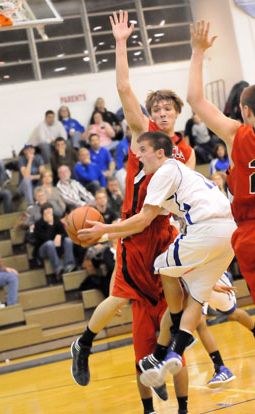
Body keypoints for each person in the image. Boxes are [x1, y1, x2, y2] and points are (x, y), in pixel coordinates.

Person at [70, 11, 195, 414]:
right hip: (132, 230)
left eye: (167, 110)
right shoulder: (141, 136)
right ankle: (85, 343)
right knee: (122, 296)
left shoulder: (186, 151)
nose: (160, 114)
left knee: (176, 316)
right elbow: (123, 87)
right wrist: (122, 42)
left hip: (165, 236)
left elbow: (186, 197)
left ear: (176, 116)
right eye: (156, 109)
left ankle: (165, 369)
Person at [80, 130, 236, 388]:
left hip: (205, 228)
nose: (137, 154)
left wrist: (103, 229)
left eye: (142, 149)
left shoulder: (162, 173)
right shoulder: (182, 173)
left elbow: (142, 220)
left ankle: (171, 334)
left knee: (160, 266)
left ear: (160, 153)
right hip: (228, 232)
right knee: (196, 297)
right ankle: (172, 352)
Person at [186, 19, 255, 371]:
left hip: (249, 236)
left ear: (245, 110)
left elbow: (194, 100)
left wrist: (198, 52)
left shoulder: (236, 133)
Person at [197, 272, 255, 388]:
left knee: (232, 314)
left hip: (213, 275)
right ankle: (220, 367)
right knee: (199, 322)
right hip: (196, 280)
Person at [33, 202, 76, 279]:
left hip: (57, 247)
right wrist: (50, 224)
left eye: (50, 209)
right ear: (43, 212)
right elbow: (45, 239)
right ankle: (58, 268)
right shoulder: (38, 224)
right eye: (46, 209)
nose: (49, 211)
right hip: (43, 249)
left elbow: (65, 233)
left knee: (68, 240)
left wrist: (59, 235)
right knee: (50, 243)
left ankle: (69, 265)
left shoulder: (56, 219)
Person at [17, 144, 45, 208]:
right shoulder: (21, 159)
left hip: (36, 185)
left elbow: (43, 174)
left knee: (46, 178)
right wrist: (30, 160)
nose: (29, 150)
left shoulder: (38, 157)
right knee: (27, 180)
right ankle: (30, 205)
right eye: (27, 149)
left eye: (31, 148)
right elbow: (26, 175)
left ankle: (45, 200)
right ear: (24, 151)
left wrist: (32, 177)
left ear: (34, 150)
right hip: (23, 187)